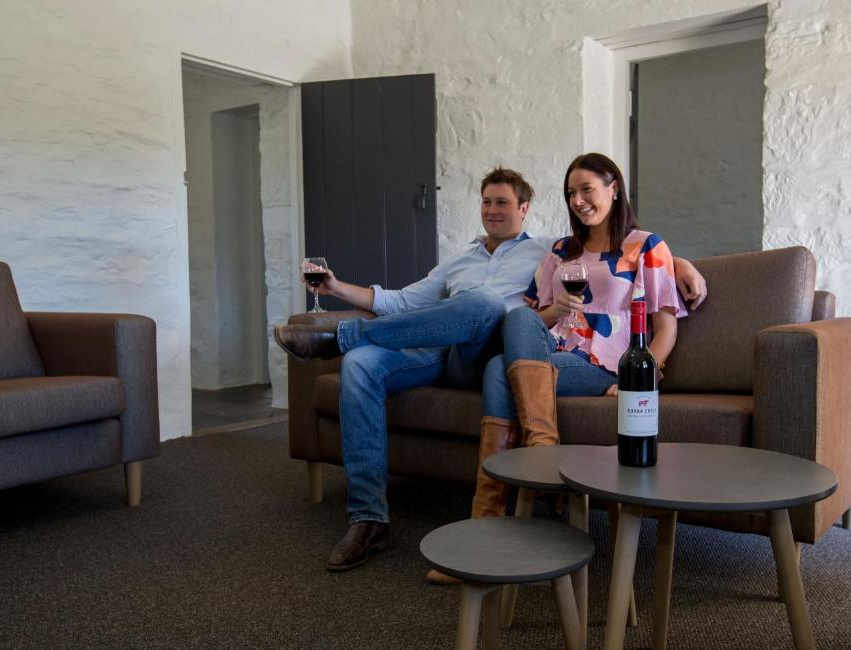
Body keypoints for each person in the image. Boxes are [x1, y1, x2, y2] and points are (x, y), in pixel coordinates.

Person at [275, 166, 706, 573]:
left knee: (486, 303)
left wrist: (681, 262)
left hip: (491, 354)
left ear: (524, 209)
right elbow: (402, 302)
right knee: (361, 365)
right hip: (441, 353)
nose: (492, 210)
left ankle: (341, 337)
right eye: (486, 202)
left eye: (502, 202)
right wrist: (334, 287)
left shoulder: (548, 248)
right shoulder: (460, 260)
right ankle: (369, 518)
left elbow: (614, 247)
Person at [425, 153, 686, 585]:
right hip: (552, 352)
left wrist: (638, 382)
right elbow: (532, 318)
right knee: (516, 325)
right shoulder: (561, 251)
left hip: (603, 363)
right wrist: (555, 310)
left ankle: (486, 528)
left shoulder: (646, 245)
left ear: (613, 188)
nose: (579, 200)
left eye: (587, 189)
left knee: (495, 370)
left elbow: (666, 325)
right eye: (571, 192)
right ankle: (542, 457)